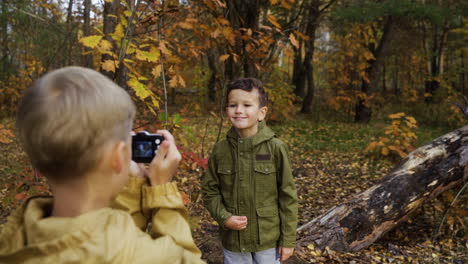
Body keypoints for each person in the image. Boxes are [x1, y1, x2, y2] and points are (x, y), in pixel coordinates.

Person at [0, 66, 204, 263]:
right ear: (117, 157)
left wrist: (129, 192)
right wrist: (161, 190)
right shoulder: (144, 256)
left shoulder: (14, 239)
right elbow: (184, 258)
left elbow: (99, 239)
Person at [202, 78, 298, 263]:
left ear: (261, 113)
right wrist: (224, 217)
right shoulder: (221, 150)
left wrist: (288, 240)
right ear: (226, 110)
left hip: (267, 240)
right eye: (233, 105)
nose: (239, 110)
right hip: (234, 240)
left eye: (247, 105)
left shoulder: (276, 148)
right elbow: (209, 191)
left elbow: (288, 196)